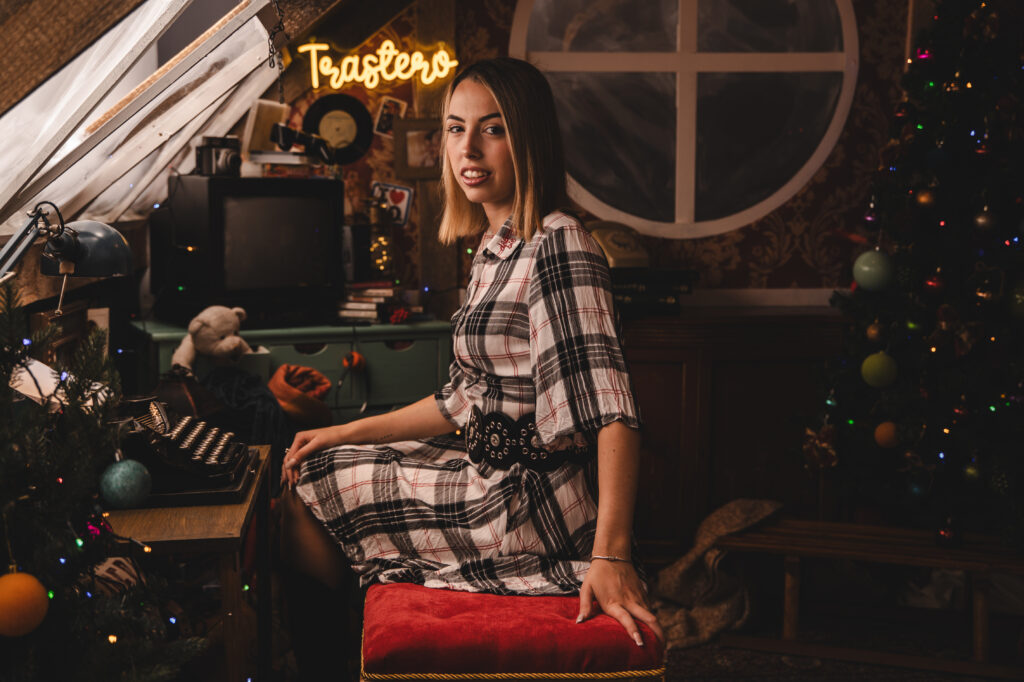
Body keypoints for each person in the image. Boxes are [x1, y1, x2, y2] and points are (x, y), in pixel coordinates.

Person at [278, 56, 663, 680]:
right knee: (312, 467)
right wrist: (341, 431)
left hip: (525, 504)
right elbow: (461, 400)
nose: (469, 148)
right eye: (456, 129)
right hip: (490, 473)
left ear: (529, 137)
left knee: (304, 494)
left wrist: (611, 555)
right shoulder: (494, 246)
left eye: (493, 128)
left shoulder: (556, 244)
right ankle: (361, 643)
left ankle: (333, 662)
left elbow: (613, 412)